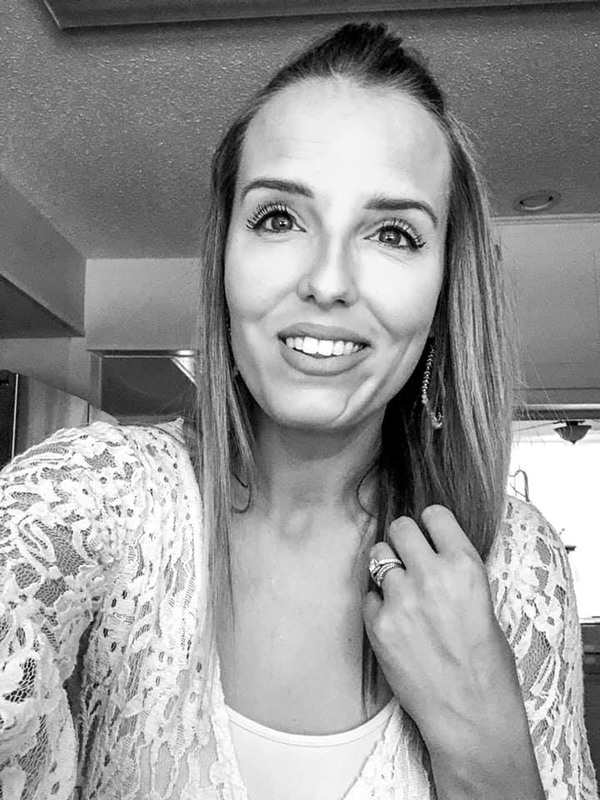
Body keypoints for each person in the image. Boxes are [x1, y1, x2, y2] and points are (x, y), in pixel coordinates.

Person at [0, 21, 597, 800]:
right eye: (279, 218)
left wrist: (486, 740)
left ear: (446, 288)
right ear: (225, 256)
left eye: (393, 233)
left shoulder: (518, 564)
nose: (327, 281)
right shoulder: (99, 496)